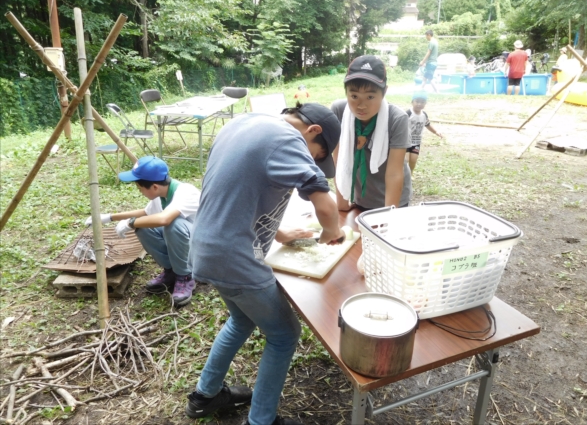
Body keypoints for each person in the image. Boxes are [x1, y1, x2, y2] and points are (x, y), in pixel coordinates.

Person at [186, 103, 344, 425]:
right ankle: (261, 421)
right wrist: (332, 232)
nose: (311, 160)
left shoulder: (243, 123)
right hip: (235, 258)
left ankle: (205, 396)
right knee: (285, 334)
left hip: (205, 248)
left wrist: (279, 232)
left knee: (242, 321)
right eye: (317, 155)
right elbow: (326, 206)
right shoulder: (288, 138)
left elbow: (234, 190)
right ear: (313, 131)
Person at [85, 156, 200, 306]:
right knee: (144, 226)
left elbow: (164, 219)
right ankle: (172, 271)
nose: (140, 192)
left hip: (203, 247)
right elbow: (145, 214)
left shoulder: (186, 192)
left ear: (154, 187)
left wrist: (131, 223)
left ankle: (185, 276)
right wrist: (109, 217)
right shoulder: (161, 194)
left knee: (174, 224)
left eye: (140, 188)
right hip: (187, 244)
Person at [330, 55, 412, 212]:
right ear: (346, 91)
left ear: (384, 92)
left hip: (393, 200)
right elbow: (338, 159)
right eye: (354, 96)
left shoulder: (397, 119)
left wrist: (389, 214)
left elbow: (394, 173)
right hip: (360, 196)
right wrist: (341, 201)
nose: (361, 105)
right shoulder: (339, 111)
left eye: (370, 97)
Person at [405, 91, 443, 173]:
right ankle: (403, 176)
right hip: (405, 141)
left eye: (422, 102)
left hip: (416, 142)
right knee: (406, 160)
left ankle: (410, 174)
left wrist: (436, 132)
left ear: (425, 103)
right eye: (417, 101)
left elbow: (428, 125)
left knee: (413, 160)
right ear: (412, 102)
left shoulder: (424, 115)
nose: (419, 104)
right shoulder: (408, 113)